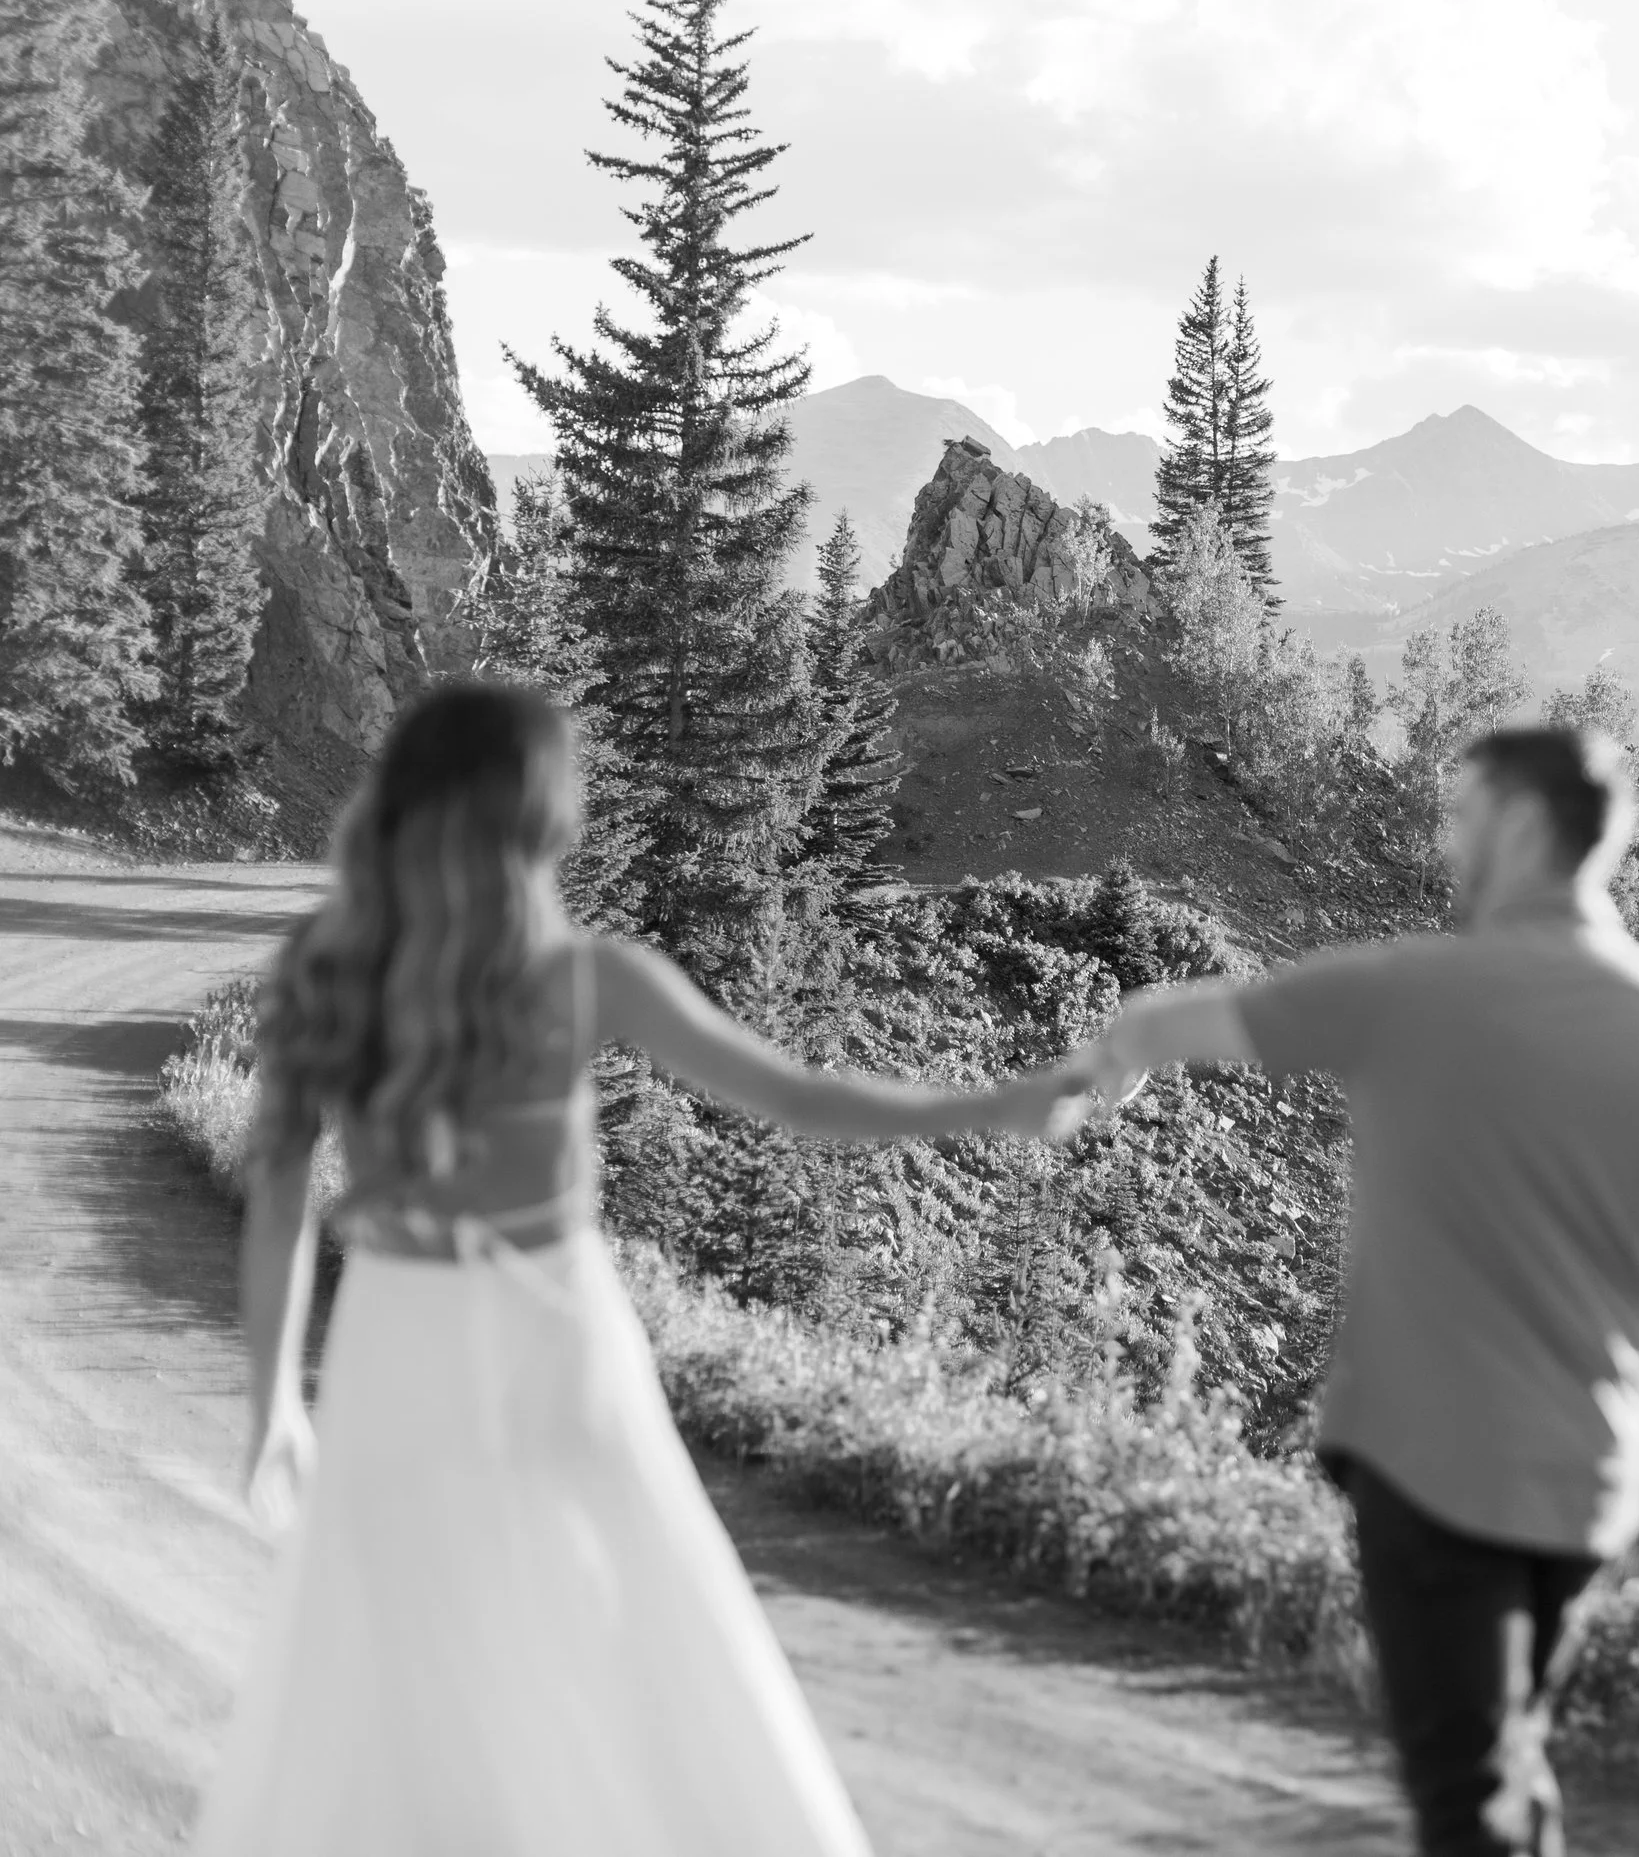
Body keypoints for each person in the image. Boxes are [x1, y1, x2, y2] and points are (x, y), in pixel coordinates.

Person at [194, 681, 1090, 1856]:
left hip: (398, 1343)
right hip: (557, 1335)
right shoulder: (583, 976)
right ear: (538, 819)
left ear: (403, 796)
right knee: (628, 1617)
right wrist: (997, 1100)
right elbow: (797, 1097)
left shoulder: (326, 964)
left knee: (405, 1636)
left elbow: (278, 1203)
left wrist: (271, 1406)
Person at [1083, 725, 1639, 1857]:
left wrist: (1106, 1063)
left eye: (1466, 816)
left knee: (1471, 1802)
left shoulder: (1411, 989)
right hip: (1588, 1482)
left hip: (1435, 1464)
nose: (1451, 845)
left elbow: (1168, 1020)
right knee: (1503, 1761)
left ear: (1523, 825)